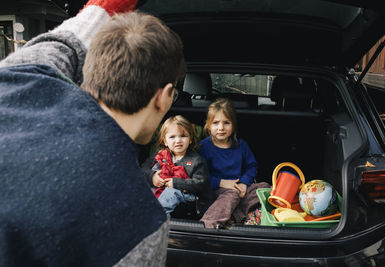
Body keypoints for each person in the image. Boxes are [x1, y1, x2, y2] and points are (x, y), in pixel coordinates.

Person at [0, 0, 186, 266]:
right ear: (165, 98)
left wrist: (103, 9)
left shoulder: (19, 81)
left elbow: (61, 43)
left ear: (90, 70)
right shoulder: (142, 223)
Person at [199, 98, 269, 229]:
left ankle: (232, 216)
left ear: (233, 125)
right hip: (214, 190)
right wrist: (222, 183)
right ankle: (208, 224)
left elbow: (251, 166)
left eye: (226, 123)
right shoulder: (203, 147)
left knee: (265, 188)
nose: (221, 127)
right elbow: (200, 177)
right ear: (208, 126)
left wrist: (243, 183)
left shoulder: (241, 145)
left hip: (238, 188)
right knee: (232, 195)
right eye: (215, 123)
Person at [142, 115, 214, 216]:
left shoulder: (196, 160)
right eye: (172, 137)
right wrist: (152, 176)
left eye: (183, 136)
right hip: (161, 191)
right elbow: (143, 169)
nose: (178, 140)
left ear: (191, 139)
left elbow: (201, 182)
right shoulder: (161, 155)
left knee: (171, 193)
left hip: (189, 196)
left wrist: (176, 183)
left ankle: (159, 219)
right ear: (165, 141)